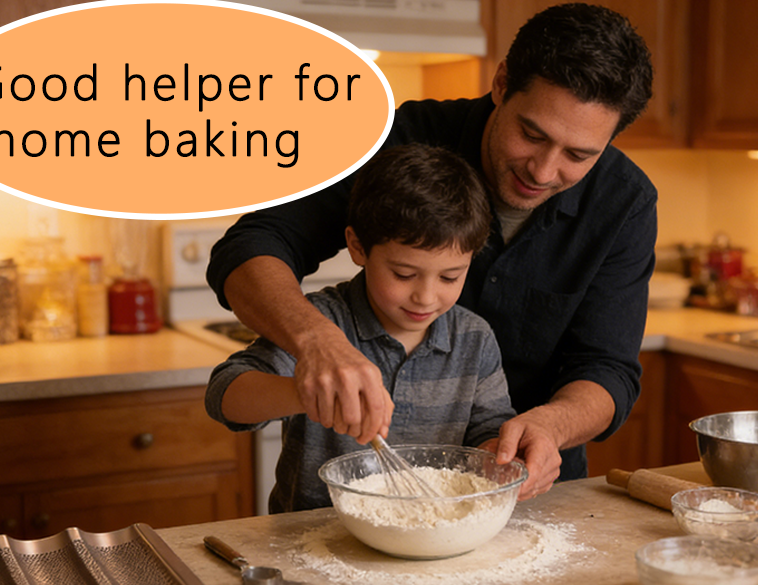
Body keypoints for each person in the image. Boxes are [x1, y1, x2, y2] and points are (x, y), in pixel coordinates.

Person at [206, 2, 656, 500]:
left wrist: (548, 428)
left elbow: (608, 370)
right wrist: (318, 345)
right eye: (531, 134)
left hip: (523, 492)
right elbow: (254, 244)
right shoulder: (399, 143)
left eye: (579, 155)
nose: (545, 171)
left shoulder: (625, 202)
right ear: (502, 84)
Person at [205, 143, 517, 513]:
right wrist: (307, 393)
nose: (426, 297)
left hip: (434, 536)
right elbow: (224, 397)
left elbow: (489, 433)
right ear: (357, 247)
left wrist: (499, 452)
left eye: (450, 276)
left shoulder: (473, 339)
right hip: (314, 541)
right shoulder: (321, 322)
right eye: (404, 274)